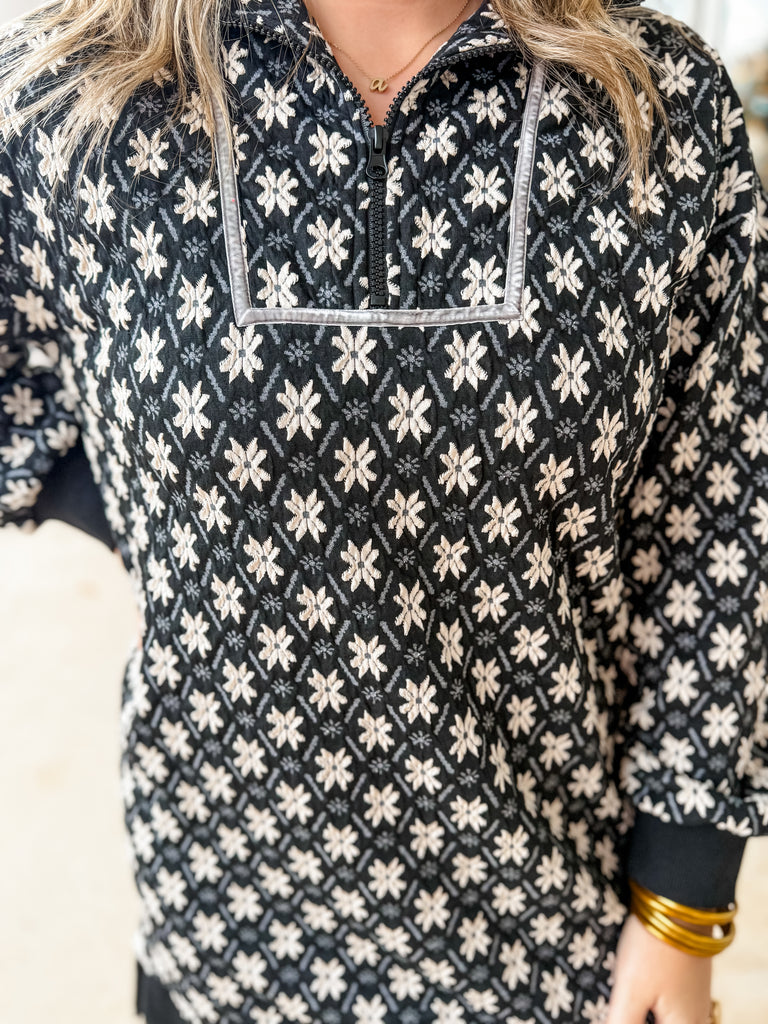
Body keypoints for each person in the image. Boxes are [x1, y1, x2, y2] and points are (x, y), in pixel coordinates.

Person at [1, 0, 766, 1021]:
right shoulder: (69, 97)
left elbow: (721, 513)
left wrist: (684, 900)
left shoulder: (659, 104)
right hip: (223, 920)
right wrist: (168, 516)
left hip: (555, 937)